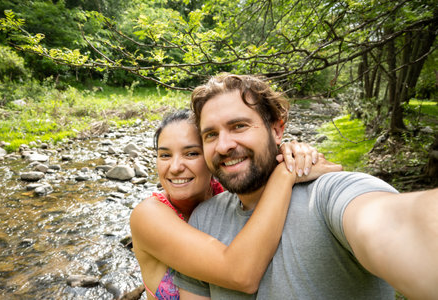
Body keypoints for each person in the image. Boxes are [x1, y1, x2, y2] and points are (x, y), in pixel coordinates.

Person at [173, 74, 438, 300]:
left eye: (239, 126)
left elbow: (397, 224)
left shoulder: (330, 194)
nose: (223, 145)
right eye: (211, 135)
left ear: (277, 130)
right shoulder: (204, 219)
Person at [130, 109, 341, 300]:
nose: (175, 167)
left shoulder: (231, 195)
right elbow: (241, 275)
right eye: (164, 155)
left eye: (192, 153)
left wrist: (290, 155)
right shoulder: (149, 215)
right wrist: (284, 174)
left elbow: (257, 160)